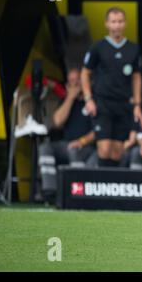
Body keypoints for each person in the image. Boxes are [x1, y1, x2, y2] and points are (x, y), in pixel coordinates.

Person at [81, 7, 142, 167]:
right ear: (107, 24)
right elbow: (85, 73)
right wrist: (88, 99)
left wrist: (137, 105)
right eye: (113, 22)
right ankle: (101, 186)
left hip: (123, 104)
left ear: (125, 24)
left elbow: (136, 77)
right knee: (104, 147)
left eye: (120, 21)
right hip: (103, 103)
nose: (117, 25)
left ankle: (113, 187)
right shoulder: (98, 47)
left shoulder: (133, 48)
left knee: (117, 150)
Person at [38, 67, 96, 200]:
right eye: (72, 82)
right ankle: (50, 191)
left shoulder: (93, 101)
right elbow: (57, 122)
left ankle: (74, 192)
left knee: (73, 150)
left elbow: (99, 131)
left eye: (78, 81)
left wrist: (81, 141)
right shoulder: (67, 100)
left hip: (87, 145)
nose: (75, 84)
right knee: (45, 148)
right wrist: (70, 98)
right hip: (66, 144)